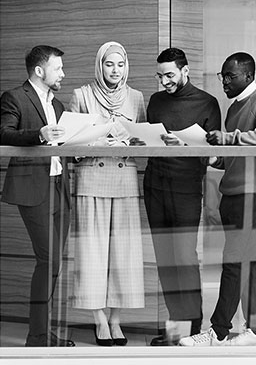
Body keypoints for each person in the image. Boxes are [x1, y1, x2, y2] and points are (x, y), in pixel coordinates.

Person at [179, 52, 256, 347]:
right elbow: (234, 156)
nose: (224, 81)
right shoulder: (234, 106)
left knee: (233, 262)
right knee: (247, 263)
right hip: (235, 192)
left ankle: (218, 331)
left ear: (248, 76)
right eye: (221, 75)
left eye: (230, 76)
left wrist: (226, 138)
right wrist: (208, 152)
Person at [67, 41, 145, 347]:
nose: (115, 70)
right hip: (91, 178)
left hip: (125, 178)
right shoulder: (81, 95)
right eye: (109, 64)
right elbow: (69, 143)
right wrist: (96, 143)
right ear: (99, 65)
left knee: (125, 254)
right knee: (92, 253)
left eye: (120, 64)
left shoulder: (137, 97)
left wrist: (129, 142)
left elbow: (145, 138)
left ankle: (116, 319)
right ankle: (98, 319)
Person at [144, 47, 221, 345]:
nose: (164, 81)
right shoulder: (156, 101)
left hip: (187, 187)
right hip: (154, 185)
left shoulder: (207, 103)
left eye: (170, 75)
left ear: (185, 71)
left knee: (185, 258)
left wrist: (185, 144)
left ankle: (192, 329)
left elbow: (215, 153)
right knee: (165, 259)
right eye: (160, 75)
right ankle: (175, 329)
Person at [0, 45, 75, 347]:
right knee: (48, 260)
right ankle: (38, 336)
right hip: (33, 188)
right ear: (40, 71)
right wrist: (39, 135)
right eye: (58, 69)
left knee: (54, 262)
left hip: (59, 187)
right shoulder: (15, 97)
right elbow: (4, 133)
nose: (63, 74)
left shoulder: (57, 104)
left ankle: (43, 332)